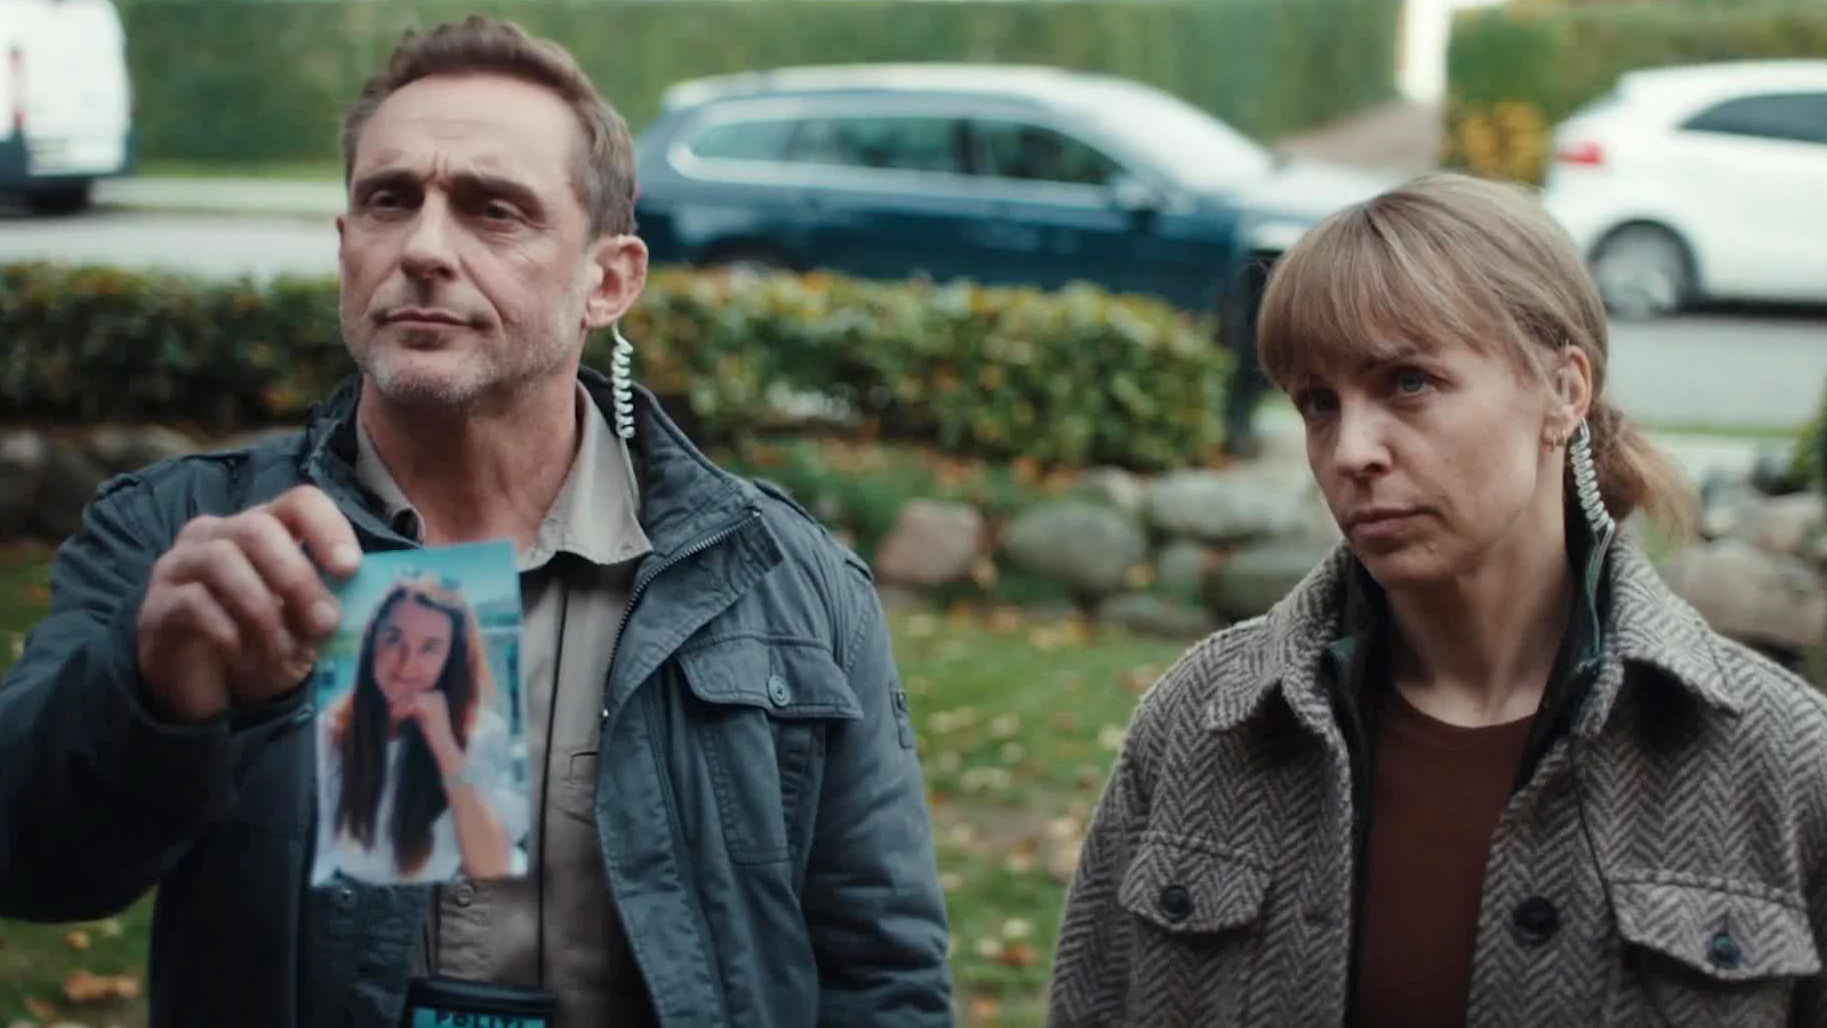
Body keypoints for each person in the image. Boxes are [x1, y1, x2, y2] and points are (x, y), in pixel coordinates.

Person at [0, 16, 951, 1028]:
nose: (422, 248)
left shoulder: (782, 582)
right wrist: (150, 694)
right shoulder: (185, 534)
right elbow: (32, 863)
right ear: (346, 247)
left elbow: (880, 975)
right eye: (388, 201)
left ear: (608, 280)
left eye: (493, 210)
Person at [1048, 171, 1827, 1027]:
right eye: (1317, 403)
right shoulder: (1202, 724)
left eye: (1407, 382)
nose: (1351, 451)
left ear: (1563, 391)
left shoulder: (1781, 761)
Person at [312, 573, 530, 887]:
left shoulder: (482, 733)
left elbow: (491, 867)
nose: (407, 665)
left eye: (430, 648)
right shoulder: (331, 731)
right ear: (372, 643)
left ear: (450, 659)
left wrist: (445, 746)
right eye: (393, 639)